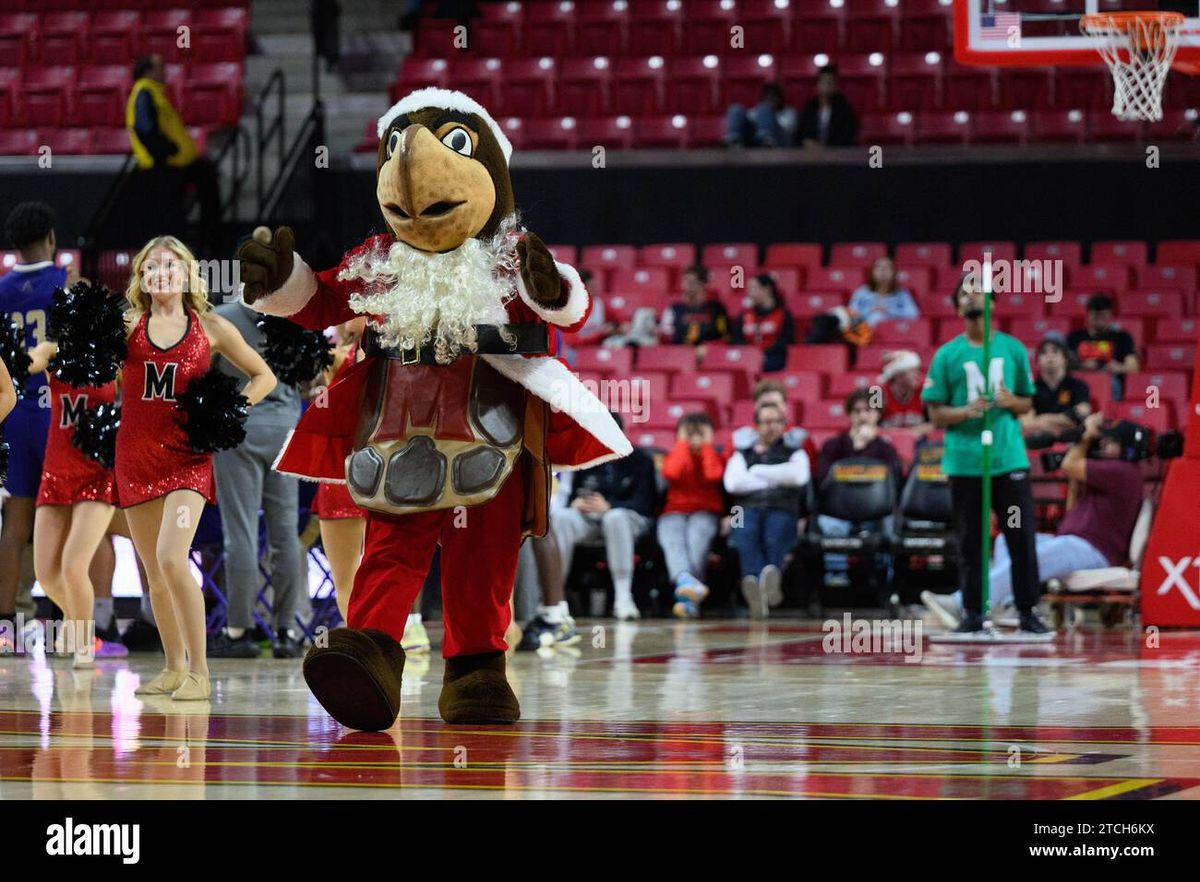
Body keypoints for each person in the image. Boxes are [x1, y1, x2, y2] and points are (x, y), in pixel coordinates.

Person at [115, 236, 276, 700]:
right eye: (151, 267)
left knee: (171, 557)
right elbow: (90, 370)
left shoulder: (212, 327)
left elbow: (264, 376)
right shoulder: (127, 327)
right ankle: (171, 667)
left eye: (170, 265)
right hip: (136, 458)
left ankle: (200, 673)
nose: (161, 272)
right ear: (141, 280)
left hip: (188, 461)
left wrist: (231, 410)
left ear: (186, 274)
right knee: (154, 570)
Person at [924, 413, 1143, 628]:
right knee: (1005, 542)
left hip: (1094, 550)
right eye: (1104, 439)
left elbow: (1069, 464)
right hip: (1075, 542)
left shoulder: (1124, 472)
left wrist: (1083, 438)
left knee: (1031, 555)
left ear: (1127, 448)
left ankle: (961, 602)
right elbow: (1072, 503)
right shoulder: (1106, 471)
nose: (1103, 444)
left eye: (1111, 441)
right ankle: (1006, 605)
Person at [921, 276, 1051, 634]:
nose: (971, 296)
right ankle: (974, 613)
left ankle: (1028, 612)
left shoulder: (1013, 350)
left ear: (993, 302)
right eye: (964, 292)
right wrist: (966, 412)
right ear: (958, 307)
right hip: (965, 462)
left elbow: (1027, 401)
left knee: (1019, 535)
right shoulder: (947, 354)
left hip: (1008, 461)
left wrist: (1012, 403)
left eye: (978, 291)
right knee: (970, 541)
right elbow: (934, 413)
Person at [311, 317, 430, 653]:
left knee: (397, 559)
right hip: (344, 470)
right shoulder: (335, 354)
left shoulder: (406, 345)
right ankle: (359, 649)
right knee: (345, 577)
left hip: (393, 467)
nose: (353, 310)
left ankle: (408, 626)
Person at [207, 296, 307, 659]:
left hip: (240, 427)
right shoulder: (296, 315)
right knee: (285, 534)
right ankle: (287, 631)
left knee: (241, 533)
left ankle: (239, 632)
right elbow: (310, 375)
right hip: (285, 429)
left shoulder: (220, 318)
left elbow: (205, 376)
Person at [25, 332, 128, 666]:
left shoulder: (115, 357)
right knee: (46, 573)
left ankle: (85, 648)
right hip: (55, 472)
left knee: (72, 565)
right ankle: (77, 619)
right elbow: (26, 363)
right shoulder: (52, 352)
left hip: (97, 473)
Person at [0, 202, 72, 650]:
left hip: (12, 412)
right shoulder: (67, 284)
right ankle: (69, 625)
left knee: (15, 521)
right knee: (65, 519)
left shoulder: (2, 290)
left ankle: (4, 628)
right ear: (50, 238)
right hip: (57, 413)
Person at [537, 413, 656, 621]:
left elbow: (645, 503)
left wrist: (609, 507)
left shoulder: (641, 459)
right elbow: (574, 493)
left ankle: (623, 597)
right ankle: (555, 598)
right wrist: (576, 503)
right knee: (563, 518)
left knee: (615, 518)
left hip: (629, 520)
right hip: (591, 521)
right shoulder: (588, 457)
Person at [126, 55, 222, 256]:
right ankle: (180, 255)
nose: (164, 71)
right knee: (170, 216)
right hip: (164, 166)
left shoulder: (155, 93)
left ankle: (209, 241)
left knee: (205, 179)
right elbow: (144, 129)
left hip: (177, 164)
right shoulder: (143, 93)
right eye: (160, 67)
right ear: (147, 71)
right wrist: (166, 151)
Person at [724, 400, 810, 619]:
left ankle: (763, 582)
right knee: (745, 533)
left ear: (784, 424)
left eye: (777, 421)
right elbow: (733, 483)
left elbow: (799, 476)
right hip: (744, 508)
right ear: (756, 426)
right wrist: (777, 477)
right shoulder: (742, 452)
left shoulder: (795, 451)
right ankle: (761, 584)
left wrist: (757, 470)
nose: (771, 426)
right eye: (766, 422)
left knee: (775, 532)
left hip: (782, 505)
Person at [813, 389, 901, 587]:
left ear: (877, 415)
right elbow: (823, 481)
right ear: (849, 414)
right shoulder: (833, 445)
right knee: (830, 524)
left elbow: (893, 486)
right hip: (838, 512)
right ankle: (835, 576)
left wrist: (865, 448)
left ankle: (885, 580)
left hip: (876, 514)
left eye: (868, 410)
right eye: (857, 411)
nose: (862, 416)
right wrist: (857, 447)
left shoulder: (885, 450)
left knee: (889, 522)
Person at [657, 413, 725, 619]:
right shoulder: (676, 454)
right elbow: (672, 473)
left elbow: (713, 475)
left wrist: (705, 448)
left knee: (696, 541)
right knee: (672, 541)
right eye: (689, 433)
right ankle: (689, 592)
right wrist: (683, 446)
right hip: (673, 512)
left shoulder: (714, 454)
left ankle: (686, 596)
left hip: (705, 512)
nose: (695, 438)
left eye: (701, 433)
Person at [1066, 294, 1139, 400]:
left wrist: (1118, 367)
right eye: (1096, 316)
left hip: (1108, 380)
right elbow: (1065, 363)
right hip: (1081, 378)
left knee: (1111, 384)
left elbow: (1133, 367)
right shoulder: (1075, 337)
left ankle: (1111, 412)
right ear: (1088, 315)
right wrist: (1083, 366)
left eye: (1103, 316)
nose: (1100, 320)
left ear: (1110, 315)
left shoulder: (1122, 337)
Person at [1022, 334, 1092, 441]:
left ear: (1065, 359)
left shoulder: (1079, 386)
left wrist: (1042, 418)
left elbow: (1081, 415)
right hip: (1039, 440)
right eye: (1044, 353)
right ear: (1038, 361)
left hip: (1070, 440)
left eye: (1055, 351)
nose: (1049, 356)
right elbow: (1027, 423)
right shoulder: (1030, 388)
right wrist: (1063, 419)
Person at [732, 379, 819, 463]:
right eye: (765, 405)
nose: (770, 408)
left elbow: (811, 471)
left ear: (785, 406)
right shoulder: (739, 438)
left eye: (774, 404)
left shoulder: (801, 438)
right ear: (755, 407)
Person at [733, 273, 794, 373]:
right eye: (748, 289)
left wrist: (763, 353)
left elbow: (786, 340)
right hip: (748, 357)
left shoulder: (783, 314)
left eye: (753, 288)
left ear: (767, 289)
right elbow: (737, 338)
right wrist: (750, 353)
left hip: (773, 357)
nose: (749, 293)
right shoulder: (744, 315)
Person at [661, 266, 730, 346]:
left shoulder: (716, 308)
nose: (687, 286)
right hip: (680, 354)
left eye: (692, 282)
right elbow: (667, 337)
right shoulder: (673, 309)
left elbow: (724, 336)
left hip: (710, 354)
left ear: (703, 284)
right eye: (684, 281)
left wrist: (708, 347)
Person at [848, 257, 919, 329]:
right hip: (865, 333)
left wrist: (889, 311)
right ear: (872, 272)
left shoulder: (902, 294)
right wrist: (870, 310)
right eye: (878, 267)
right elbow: (851, 315)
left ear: (894, 273)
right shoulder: (861, 292)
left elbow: (913, 315)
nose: (882, 270)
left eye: (887, 267)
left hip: (892, 331)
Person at [797, 65, 858, 148]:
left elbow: (848, 137)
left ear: (836, 86)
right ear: (817, 85)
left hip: (837, 155)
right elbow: (801, 134)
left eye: (830, 82)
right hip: (811, 156)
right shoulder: (809, 108)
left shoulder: (844, 109)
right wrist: (807, 142)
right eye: (824, 82)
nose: (827, 86)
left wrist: (826, 147)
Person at [724, 82, 798, 148]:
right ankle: (733, 141)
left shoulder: (789, 112)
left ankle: (766, 140)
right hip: (755, 140)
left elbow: (787, 130)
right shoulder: (758, 110)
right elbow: (748, 121)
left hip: (779, 141)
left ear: (780, 98)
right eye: (767, 96)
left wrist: (768, 115)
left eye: (773, 96)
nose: (770, 98)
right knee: (736, 108)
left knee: (765, 109)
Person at [877, 350, 931, 433]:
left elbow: (935, 423)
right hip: (886, 442)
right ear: (898, 374)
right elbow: (869, 426)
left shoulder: (925, 390)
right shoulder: (876, 392)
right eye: (913, 371)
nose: (918, 374)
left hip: (919, 444)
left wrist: (908, 433)